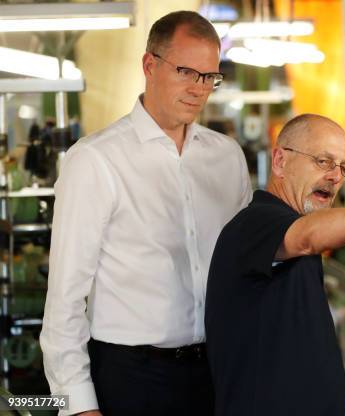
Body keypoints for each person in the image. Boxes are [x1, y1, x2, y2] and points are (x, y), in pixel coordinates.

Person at [40, 11, 251, 416]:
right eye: (187, 71)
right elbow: (65, 299)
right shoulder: (95, 160)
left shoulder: (227, 158)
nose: (198, 89)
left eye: (209, 77)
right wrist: (79, 405)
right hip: (131, 376)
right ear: (149, 65)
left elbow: (242, 268)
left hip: (217, 370)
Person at [205, 114, 345, 416]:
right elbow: (308, 237)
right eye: (323, 161)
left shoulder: (292, 228)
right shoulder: (256, 222)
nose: (336, 177)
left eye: (344, 168)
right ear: (280, 161)